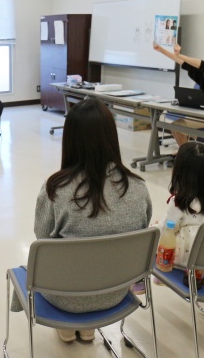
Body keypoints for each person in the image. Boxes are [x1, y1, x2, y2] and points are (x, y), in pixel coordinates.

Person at [29, 98, 152, 343]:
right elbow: (142, 229)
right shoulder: (138, 188)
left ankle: (67, 326)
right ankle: (88, 328)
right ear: (111, 137)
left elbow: (42, 238)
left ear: (70, 140)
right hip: (115, 292)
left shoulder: (55, 189)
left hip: (63, 297)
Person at [159, 143, 204, 291]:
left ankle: (160, 274)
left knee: (157, 232)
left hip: (185, 261)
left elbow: (167, 229)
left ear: (179, 173)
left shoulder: (179, 201)